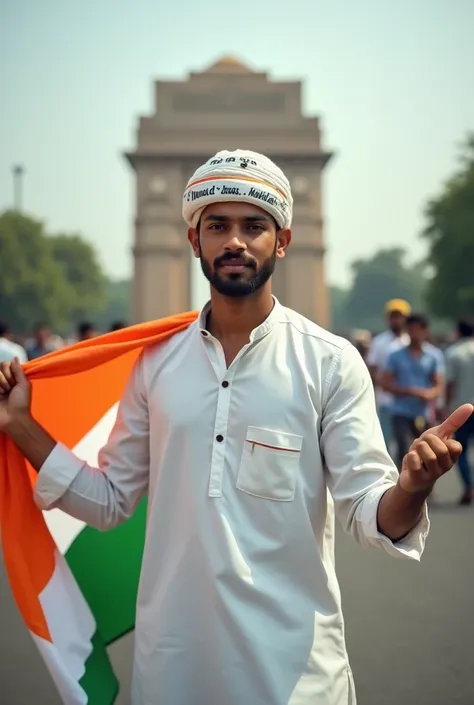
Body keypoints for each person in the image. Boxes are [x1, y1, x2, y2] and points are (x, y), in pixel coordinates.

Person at [0, 149, 471, 705]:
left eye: (254, 226)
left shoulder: (329, 362)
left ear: (283, 241)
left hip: (295, 672)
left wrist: (412, 489)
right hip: (176, 664)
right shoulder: (155, 364)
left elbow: (369, 513)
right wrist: (21, 426)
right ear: (194, 240)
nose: (235, 242)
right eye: (217, 225)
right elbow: (109, 502)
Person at [382, 314, 444, 470]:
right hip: (400, 410)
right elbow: (386, 384)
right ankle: (402, 484)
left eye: (418, 329)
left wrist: (427, 394)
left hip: (423, 411)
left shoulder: (434, 355)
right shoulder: (395, 355)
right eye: (411, 329)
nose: (414, 334)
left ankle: (424, 486)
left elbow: (438, 386)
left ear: (425, 331)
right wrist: (409, 391)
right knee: (404, 450)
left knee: (425, 451)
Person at [367, 299, 411, 451]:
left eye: (399, 316)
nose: (396, 320)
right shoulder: (379, 342)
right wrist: (386, 386)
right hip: (386, 400)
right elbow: (373, 369)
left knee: (406, 444)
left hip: (408, 401)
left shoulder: (410, 342)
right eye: (393, 316)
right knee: (384, 441)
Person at [445, 319, 474, 504]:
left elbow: (450, 384)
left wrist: (446, 407)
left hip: (463, 410)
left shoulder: (454, 353)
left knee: (461, 449)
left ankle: (469, 486)